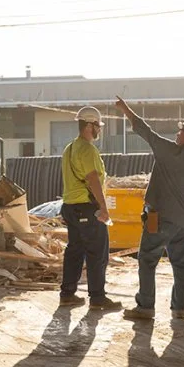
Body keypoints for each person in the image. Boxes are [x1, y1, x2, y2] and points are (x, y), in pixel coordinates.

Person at [114, 97, 184, 321]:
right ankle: (179, 309)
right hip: (183, 225)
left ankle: (145, 308)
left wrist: (125, 109)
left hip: (158, 220)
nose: (177, 133)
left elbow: (145, 130)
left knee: (147, 259)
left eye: (181, 131)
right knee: (181, 264)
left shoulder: (169, 151)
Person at [59, 106, 115, 308]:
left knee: (74, 251)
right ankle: (98, 297)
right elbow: (93, 179)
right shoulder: (88, 149)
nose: (99, 130)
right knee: (97, 252)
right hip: (87, 208)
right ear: (90, 125)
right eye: (98, 126)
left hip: (70, 207)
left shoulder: (70, 148)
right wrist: (103, 207)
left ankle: (67, 294)